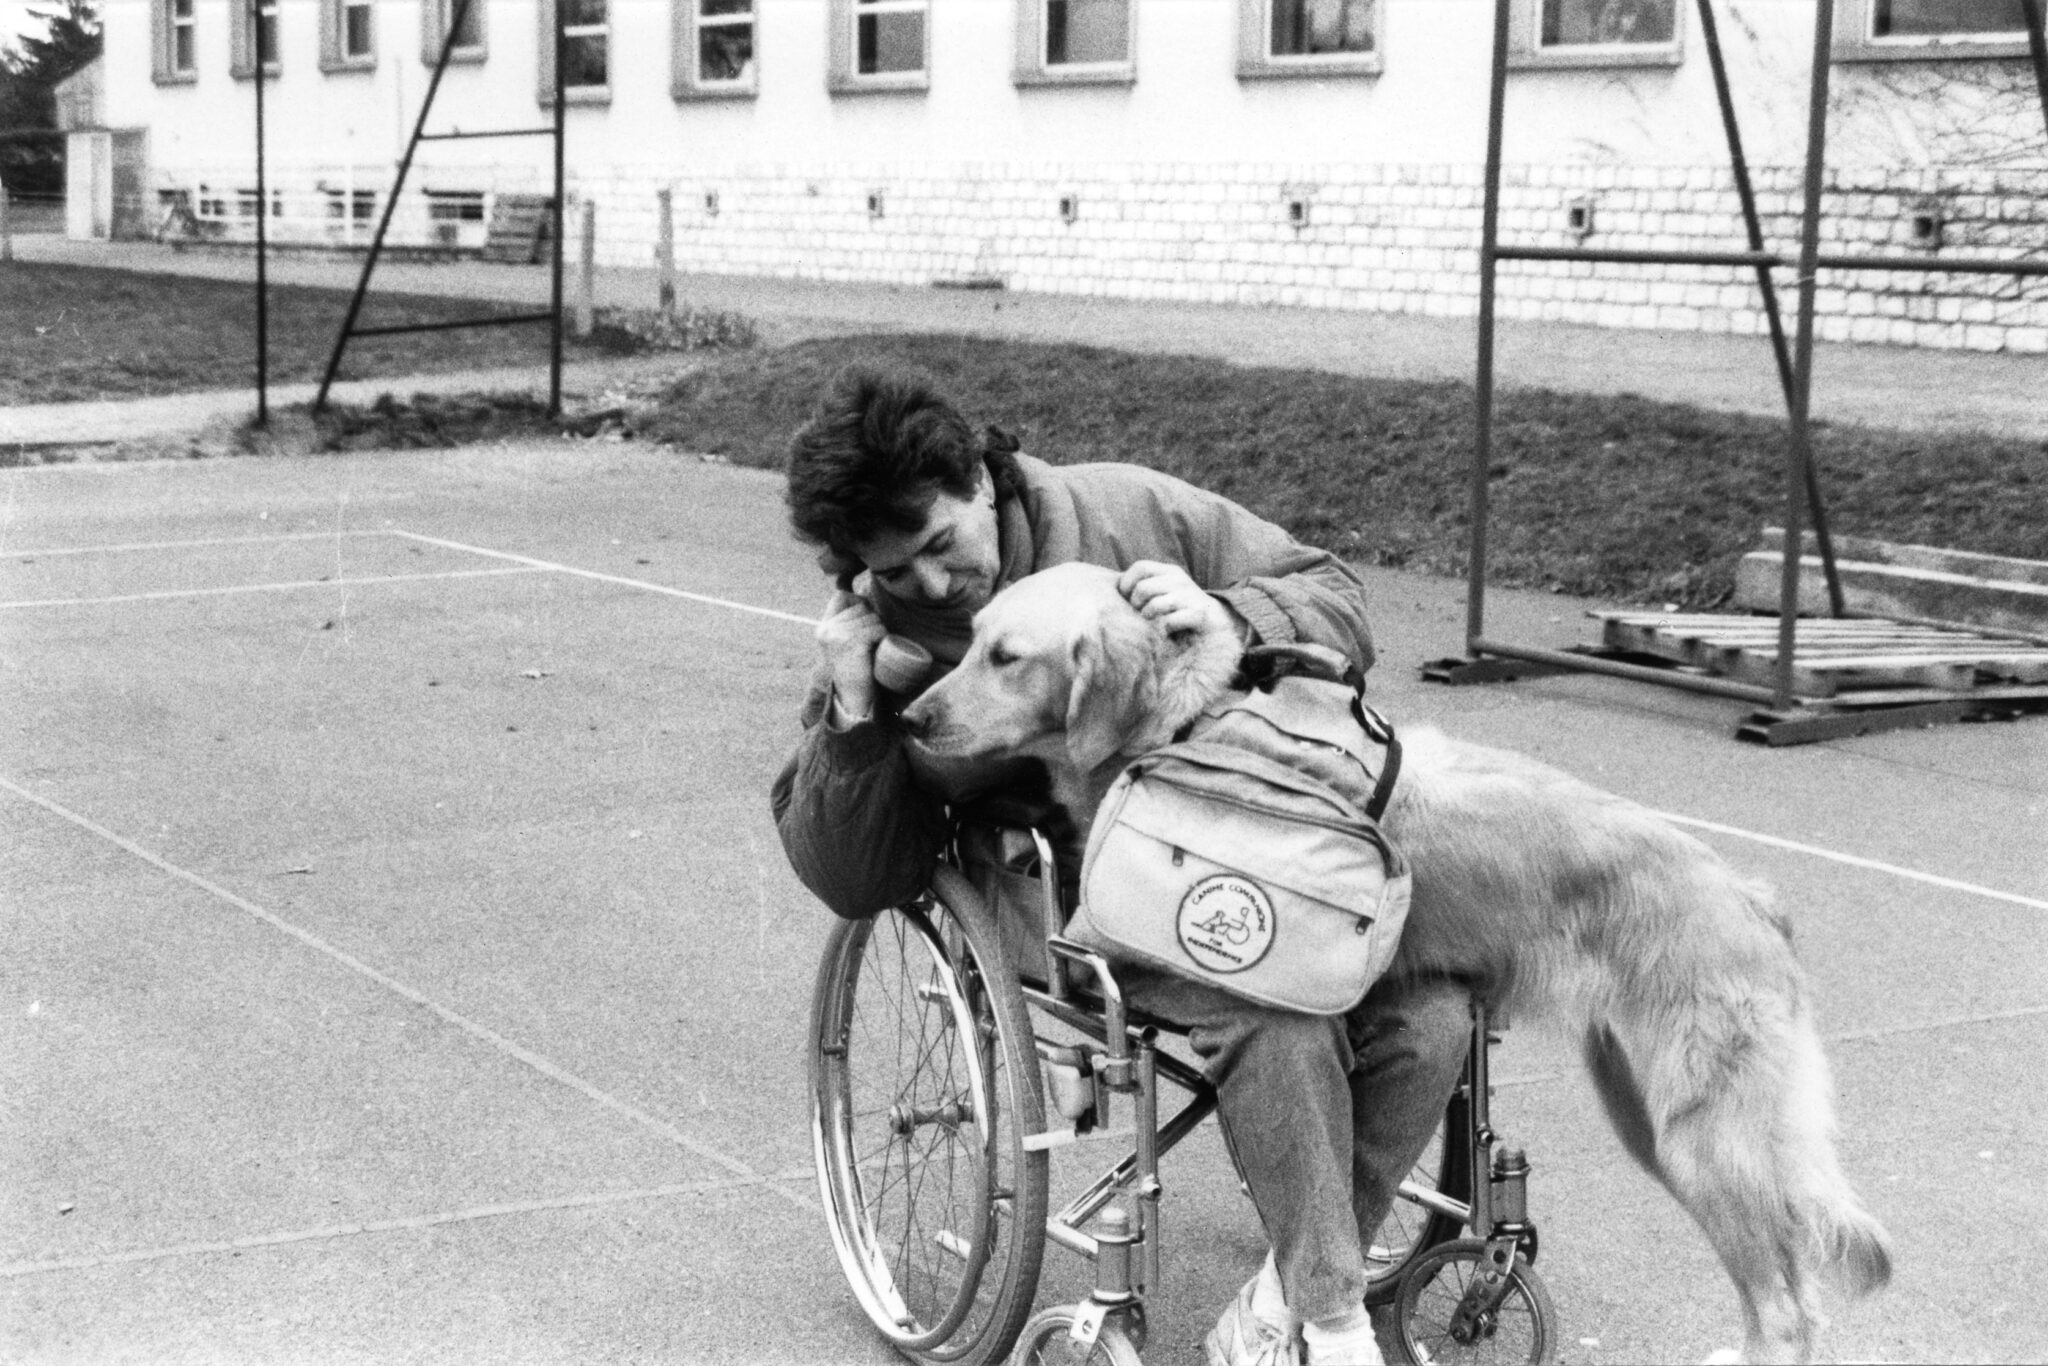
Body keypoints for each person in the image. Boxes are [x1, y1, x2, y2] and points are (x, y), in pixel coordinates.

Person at [771, 366, 1471, 1366]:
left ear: (980, 480)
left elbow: (1337, 597)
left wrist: (1232, 614)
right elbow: (853, 878)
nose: (929, 585)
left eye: (938, 543)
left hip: (1253, 848)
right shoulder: (881, 633)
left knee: (1431, 1012)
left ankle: (1286, 1297)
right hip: (1070, 900)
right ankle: (1331, 1326)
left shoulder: (1129, 513)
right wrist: (852, 706)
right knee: (1274, 1015)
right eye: (894, 569)